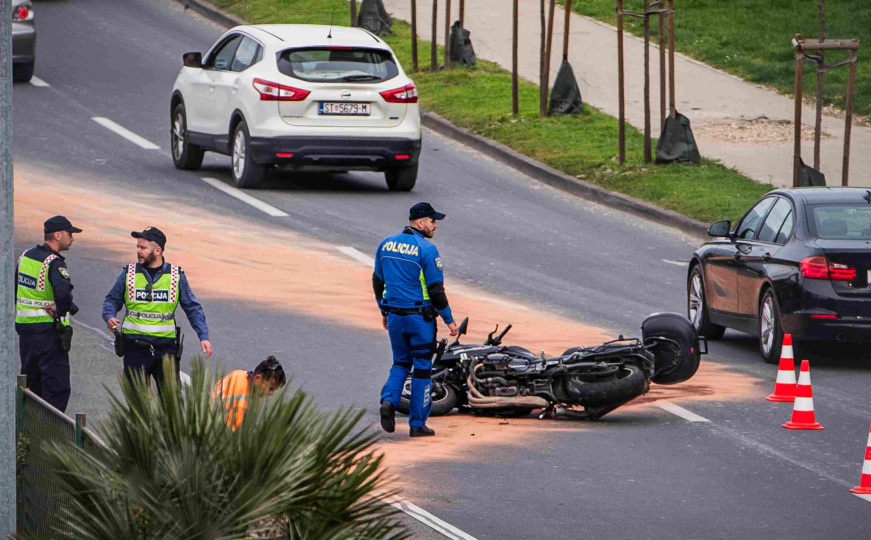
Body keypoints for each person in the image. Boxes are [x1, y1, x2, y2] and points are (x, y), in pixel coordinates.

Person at [373, 202, 458, 437]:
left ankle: (388, 401)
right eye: (432, 221)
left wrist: (383, 310)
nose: (435, 225)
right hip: (420, 320)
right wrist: (450, 320)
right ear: (420, 223)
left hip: (394, 317)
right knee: (422, 368)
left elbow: (378, 281)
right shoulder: (427, 249)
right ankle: (418, 424)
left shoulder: (386, 244)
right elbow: (435, 290)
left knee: (400, 363)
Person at [102, 226, 212, 391]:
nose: (138, 251)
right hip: (135, 348)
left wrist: (203, 336)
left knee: (170, 404)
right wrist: (109, 316)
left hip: (166, 350)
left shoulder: (175, 275)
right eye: (137, 247)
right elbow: (111, 300)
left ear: (158, 250)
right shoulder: (128, 273)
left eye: (143, 248)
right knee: (138, 405)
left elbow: (192, 307)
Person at [15, 216, 82, 412]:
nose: (72, 238)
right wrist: (60, 310)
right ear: (58, 235)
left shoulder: (25, 256)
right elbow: (62, 293)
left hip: (26, 331)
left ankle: (26, 434)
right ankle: (50, 436)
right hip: (48, 332)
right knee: (57, 388)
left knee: (30, 384)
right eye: (70, 234)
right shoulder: (54, 263)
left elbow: (16, 288)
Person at [214, 356, 287, 430]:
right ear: (257, 379)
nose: (271, 393)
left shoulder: (239, 374)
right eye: (270, 388)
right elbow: (235, 436)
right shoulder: (241, 404)